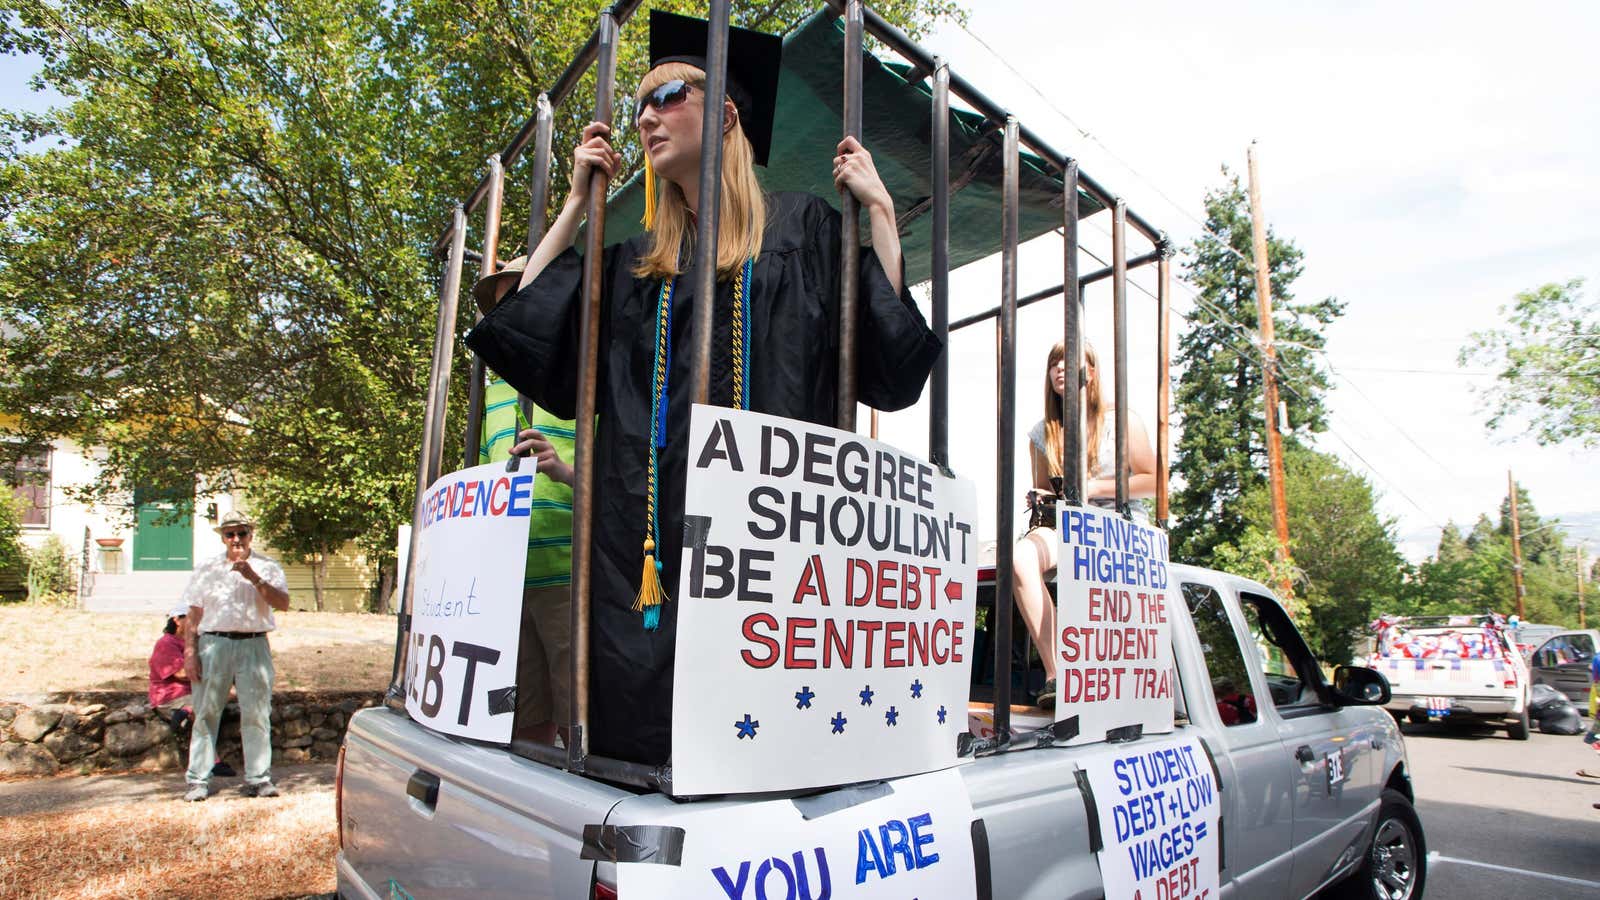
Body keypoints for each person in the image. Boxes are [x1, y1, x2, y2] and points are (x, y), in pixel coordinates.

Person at [465, 11, 940, 764]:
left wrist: (879, 210)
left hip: (770, 558)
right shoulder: (634, 267)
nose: (646, 118)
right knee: (652, 744)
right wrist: (574, 204)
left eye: (667, 96)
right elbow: (524, 319)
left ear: (721, 112)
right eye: (639, 105)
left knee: (769, 746)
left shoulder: (807, 231)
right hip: (645, 561)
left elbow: (888, 354)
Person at [1012, 341, 1156, 708]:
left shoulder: (1122, 419)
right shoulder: (1042, 433)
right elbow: (1045, 489)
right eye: (1053, 363)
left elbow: (1154, 480)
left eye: (1068, 361)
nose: (1060, 368)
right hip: (1067, 524)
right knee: (1020, 558)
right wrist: (1039, 497)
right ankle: (1058, 673)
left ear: (1090, 372)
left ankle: (1127, 677)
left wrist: (1095, 488)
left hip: (1118, 524)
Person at [472, 257, 577, 747]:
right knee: (523, 718)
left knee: (580, 719)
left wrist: (563, 470)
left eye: (519, 300)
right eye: (500, 306)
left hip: (568, 579)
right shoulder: (491, 393)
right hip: (509, 584)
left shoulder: (582, 386)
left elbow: (622, 488)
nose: (509, 316)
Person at [180, 510, 290, 801]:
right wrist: (190, 652)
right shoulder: (207, 568)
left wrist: (254, 578)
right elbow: (193, 614)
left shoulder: (267, 566)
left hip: (253, 644)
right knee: (206, 712)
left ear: (251, 535)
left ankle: (258, 778)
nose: (236, 539)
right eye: (230, 534)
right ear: (223, 538)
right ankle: (198, 780)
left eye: (242, 532)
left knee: (256, 713)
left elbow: (283, 603)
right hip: (213, 643)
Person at [149, 602, 235, 776]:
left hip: (195, 692)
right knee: (203, 713)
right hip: (171, 696)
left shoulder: (197, 641)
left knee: (232, 692)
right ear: (177, 620)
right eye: (190, 618)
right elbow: (180, 673)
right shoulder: (166, 644)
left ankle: (189, 711)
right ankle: (212, 761)